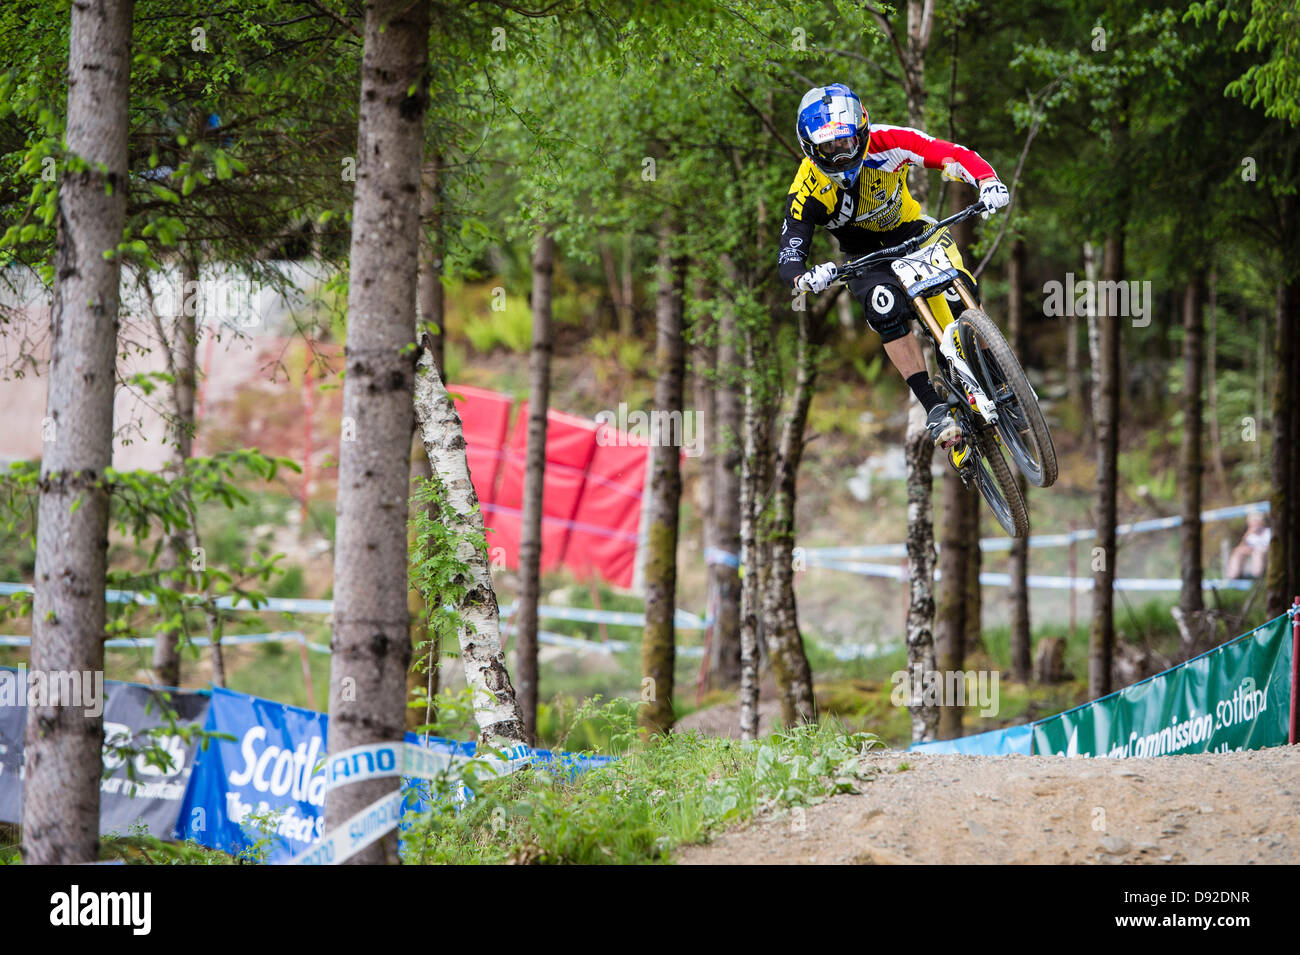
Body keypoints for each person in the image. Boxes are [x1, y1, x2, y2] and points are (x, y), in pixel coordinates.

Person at [777, 83, 1009, 469]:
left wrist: (986, 180)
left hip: (915, 234)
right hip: (865, 258)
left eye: (848, 141)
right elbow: (790, 251)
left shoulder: (889, 142)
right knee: (883, 308)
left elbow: (947, 153)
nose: (841, 154)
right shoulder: (808, 186)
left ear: (863, 128)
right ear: (811, 151)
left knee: (959, 294)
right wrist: (804, 279)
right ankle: (934, 409)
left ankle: (998, 377)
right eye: (829, 149)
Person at [1226, 510, 1270, 579]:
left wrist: (1258, 549)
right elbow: (1240, 547)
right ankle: (1233, 576)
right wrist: (1247, 535)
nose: (1253, 525)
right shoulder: (1250, 535)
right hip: (1254, 551)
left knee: (1257, 552)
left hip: (1264, 554)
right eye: (1251, 523)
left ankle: (1257, 576)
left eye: (1255, 522)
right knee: (1238, 552)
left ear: (1261, 523)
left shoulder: (1268, 532)